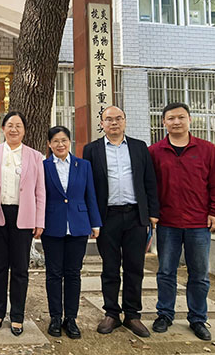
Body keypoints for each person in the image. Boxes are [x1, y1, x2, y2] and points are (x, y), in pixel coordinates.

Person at [148, 102, 215, 341]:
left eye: (181, 117)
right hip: (168, 223)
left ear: (189, 120)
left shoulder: (206, 149)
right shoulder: (155, 152)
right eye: (171, 118)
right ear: (164, 122)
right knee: (166, 272)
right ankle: (164, 314)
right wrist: (152, 214)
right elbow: (150, 187)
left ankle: (198, 318)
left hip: (198, 223)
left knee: (199, 274)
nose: (176, 122)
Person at [82, 106, 159, 338]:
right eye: (109, 119)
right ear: (102, 124)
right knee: (110, 267)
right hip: (108, 217)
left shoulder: (139, 147)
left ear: (124, 121)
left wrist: (152, 213)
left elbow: (150, 181)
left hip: (136, 216)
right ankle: (111, 313)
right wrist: (91, 218)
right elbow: (88, 187)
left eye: (118, 118)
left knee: (135, 267)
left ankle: (132, 315)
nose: (114, 123)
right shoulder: (92, 150)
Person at [0, 111, 45, 337]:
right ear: (3, 128)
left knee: (20, 269)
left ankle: (17, 315)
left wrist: (39, 220)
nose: (13, 129)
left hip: (24, 217)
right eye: (10, 125)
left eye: (18, 126)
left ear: (24, 130)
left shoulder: (35, 156)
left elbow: (40, 191)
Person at [42, 126, 101, 340]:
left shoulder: (83, 165)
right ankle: (55, 317)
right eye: (56, 141)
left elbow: (90, 194)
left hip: (78, 224)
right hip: (52, 225)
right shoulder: (43, 167)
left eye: (64, 140)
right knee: (53, 273)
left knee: (74, 273)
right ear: (49, 144)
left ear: (70, 142)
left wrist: (95, 222)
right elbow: (40, 196)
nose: (60, 144)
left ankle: (71, 318)